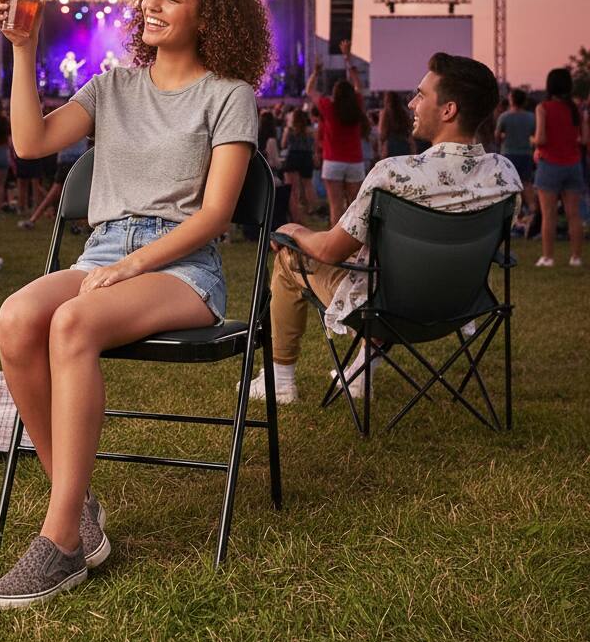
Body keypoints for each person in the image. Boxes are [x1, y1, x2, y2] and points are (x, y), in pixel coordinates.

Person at [0, 0, 267, 610]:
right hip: (105, 252)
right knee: (18, 318)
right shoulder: (112, 86)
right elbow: (29, 144)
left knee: (74, 321)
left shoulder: (228, 97)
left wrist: (138, 263)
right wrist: (23, 49)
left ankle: (59, 544)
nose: (155, 5)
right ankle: (78, 511)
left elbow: (218, 213)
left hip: (181, 267)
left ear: (209, 15)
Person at [248, 53, 522, 405]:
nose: (411, 103)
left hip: (386, 309)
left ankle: (281, 381)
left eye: (421, 95)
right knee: (395, 272)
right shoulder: (504, 175)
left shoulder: (394, 174)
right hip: (459, 306)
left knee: (289, 257)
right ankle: (360, 375)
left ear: (448, 110)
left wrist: (294, 230)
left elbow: (332, 251)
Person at [307, 40, 367, 227]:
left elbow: (310, 90)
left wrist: (316, 72)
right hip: (355, 162)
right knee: (355, 207)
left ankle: (336, 250)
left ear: (335, 93)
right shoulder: (357, 104)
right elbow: (358, 85)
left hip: (333, 162)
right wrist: (347, 58)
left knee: (336, 208)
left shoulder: (328, 107)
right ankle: (356, 248)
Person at [532, 68, 585, 267]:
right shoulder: (576, 109)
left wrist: (533, 140)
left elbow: (541, 138)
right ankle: (576, 257)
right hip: (573, 164)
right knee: (574, 214)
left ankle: (548, 257)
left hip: (550, 165)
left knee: (549, 215)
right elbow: (584, 138)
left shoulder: (543, 107)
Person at [18, 136, 90, 229]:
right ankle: (79, 223)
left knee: (56, 192)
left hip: (66, 158)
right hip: (78, 158)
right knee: (80, 193)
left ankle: (33, 219)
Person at [495, 88, 536, 220]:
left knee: (509, 185)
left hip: (508, 154)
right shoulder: (531, 117)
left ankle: (511, 216)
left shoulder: (505, 117)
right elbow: (534, 135)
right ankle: (533, 211)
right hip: (526, 154)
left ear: (511, 100)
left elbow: (497, 136)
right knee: (527, 184)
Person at [281, 107, 317, 224]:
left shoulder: (289, 130)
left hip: (293, 156)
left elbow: (283, 144)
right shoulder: (310, 131)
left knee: (292, 187)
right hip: (306, 156)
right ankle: (312, 208)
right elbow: (314, 146)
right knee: (308, 184)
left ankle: (295, 209)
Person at [379, 91, 414, 160]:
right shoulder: (404, 113)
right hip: (404, 144)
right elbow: (410, 129)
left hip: (390, 145)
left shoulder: (385, 113)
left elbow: (382, 132)